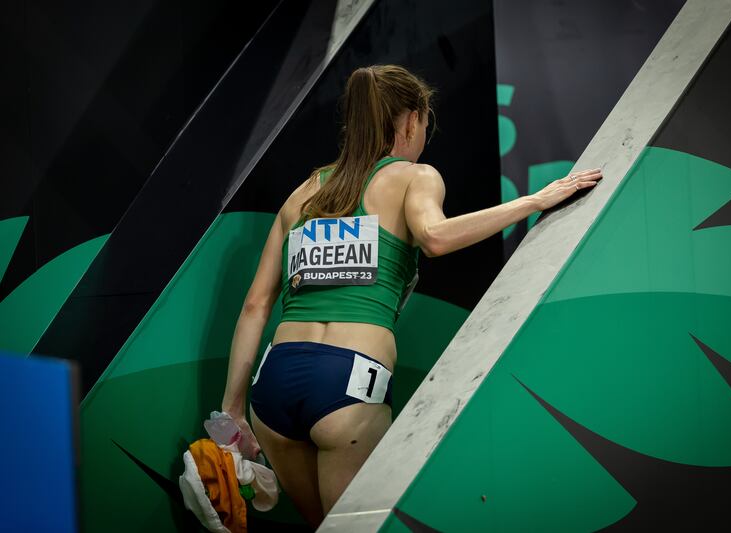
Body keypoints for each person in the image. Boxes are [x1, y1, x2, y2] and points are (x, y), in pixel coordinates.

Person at [220, 64, 602, 527]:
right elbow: (435, 236)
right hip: (347, 381)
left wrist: (233, 410)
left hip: (273, 386)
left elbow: (256, 306)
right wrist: (534, 201)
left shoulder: (302, 195)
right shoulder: (412, 177)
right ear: (412, 119)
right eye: (425, 122)